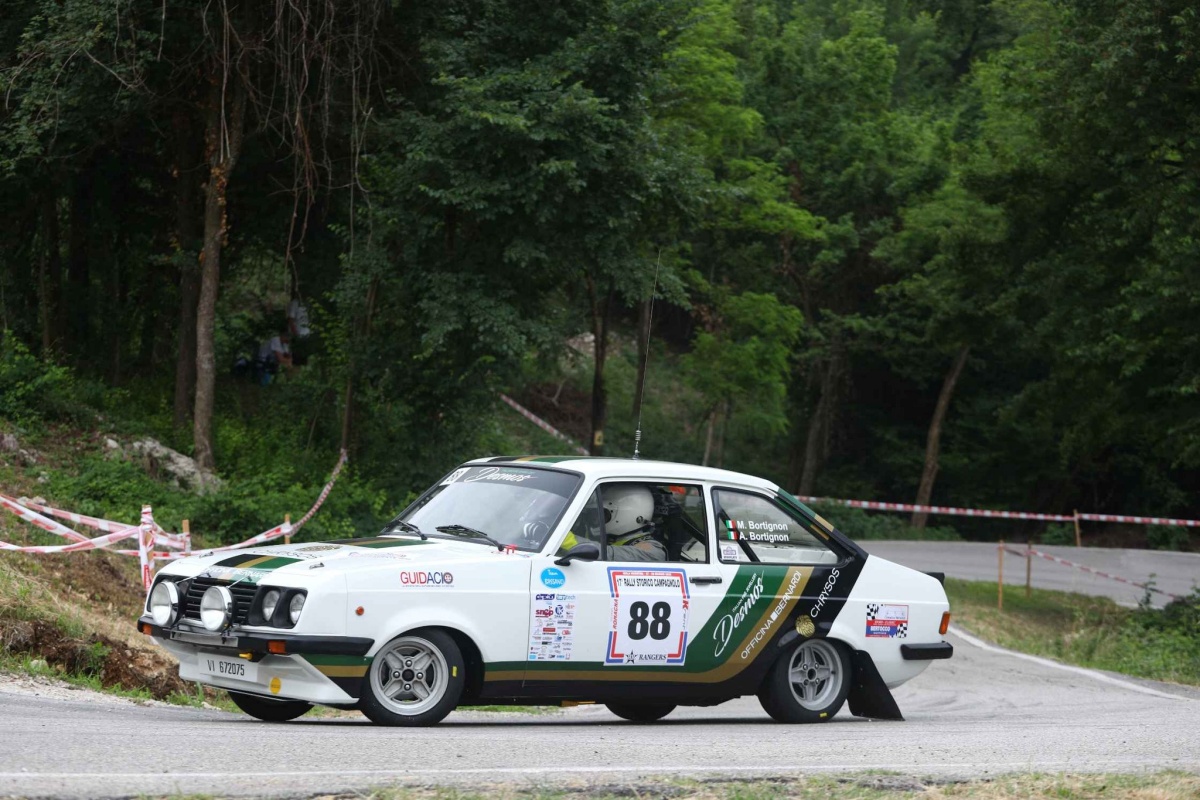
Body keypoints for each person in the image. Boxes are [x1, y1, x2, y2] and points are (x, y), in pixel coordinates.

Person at [560, 485, 666, 562]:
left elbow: (609, 554)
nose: (596, 520)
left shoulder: (653, 552)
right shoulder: (609, 538)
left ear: (629, 514)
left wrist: (561, 537)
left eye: (602, 515)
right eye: (594, 515)